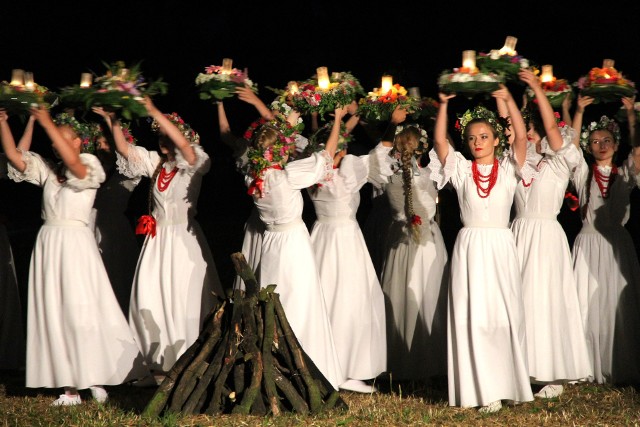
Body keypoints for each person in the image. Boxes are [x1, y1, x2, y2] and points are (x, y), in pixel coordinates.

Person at [0, 106, 149, 405]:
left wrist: (46, 122)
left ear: (78, 141)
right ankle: (69, 387)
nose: (54, 142)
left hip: (75, 244)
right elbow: (16, 158)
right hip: (49, 243)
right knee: (55, 310)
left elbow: (76, 168)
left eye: (61, 137)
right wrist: (2, 122)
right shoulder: (49, 170)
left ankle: (93, 376)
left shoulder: (90, 164)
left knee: (82, 309)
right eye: (53, 138)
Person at [428, 86, 533, 413]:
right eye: (472, 137)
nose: (477, 142)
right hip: (470, 247)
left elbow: (521, 141)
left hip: (500, 245)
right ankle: (479, 389)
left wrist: (509, 99)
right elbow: (439, 143)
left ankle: (505, 385)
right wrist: (444, 105)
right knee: (472, 317)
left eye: (484, 136)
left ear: (496, 139)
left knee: (503, 316)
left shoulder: (506, 168)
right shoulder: (459, 169)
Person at [112, 97, 224, 381]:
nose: (164, 142)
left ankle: (192, 358)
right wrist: (112, 118)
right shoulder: (156, 164)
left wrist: (153, 111)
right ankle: (157, 361)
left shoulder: (195, 163)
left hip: (183, 239)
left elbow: (185, 148)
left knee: (184, 296)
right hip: (158, 240)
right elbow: (124, 149)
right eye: (160, 137)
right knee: (152, 293)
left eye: (168, 136)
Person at [245, 105, 348, 390]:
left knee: (277, 302)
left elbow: (274, 149)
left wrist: (286, 126)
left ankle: (276, 367)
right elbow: (326, 157)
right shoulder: (286, 176)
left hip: (271, 244)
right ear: (279, 152)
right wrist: (337, 120)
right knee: (301, 301)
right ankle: (310, 368)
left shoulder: (254, 178)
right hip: (293, 243)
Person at [512, 69, 592, 398]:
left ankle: (552, 371)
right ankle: (519, 368)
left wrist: (534, 88)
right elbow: (513, 129)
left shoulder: (560, 161)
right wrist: (505, 94)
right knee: (518, 299)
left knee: (544, 298)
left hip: (546, 235)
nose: (530, 136)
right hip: (517, 233)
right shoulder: (517, 162)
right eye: (527, 131)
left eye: (534, 131)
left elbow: (549, 127)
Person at [305, 114, 387, 393]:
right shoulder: (327, 171)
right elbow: (377, 150)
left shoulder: (337, 168)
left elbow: (378, 154)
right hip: (333, 238)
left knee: (349, 300)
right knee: (332, 299)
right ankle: (331, 367)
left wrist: (346, 118)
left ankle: (348, 367)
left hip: (335, 238)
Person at [569, 94, 640, 386]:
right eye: (595, 141)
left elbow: (638, 151)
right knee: (585, 306)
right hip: (587, 244)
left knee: (614, 307)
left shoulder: (624, 172)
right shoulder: (583, 172)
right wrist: (578, 110)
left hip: (615, 247)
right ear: (589, 146)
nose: (601, 145)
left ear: (616, 143)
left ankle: (616, 365)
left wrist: (631, 115)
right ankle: (586, 367)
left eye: (606, 140)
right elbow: (569, 149)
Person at [377, 109, 449, 385]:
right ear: (423, 148)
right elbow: (430, 208)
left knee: (402, 296)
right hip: (426, 242)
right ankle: (432, 363)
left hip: (399, 241)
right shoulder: (426, 177)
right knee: (428, 297)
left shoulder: (390, 176)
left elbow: (381, 155)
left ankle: (401, 361)